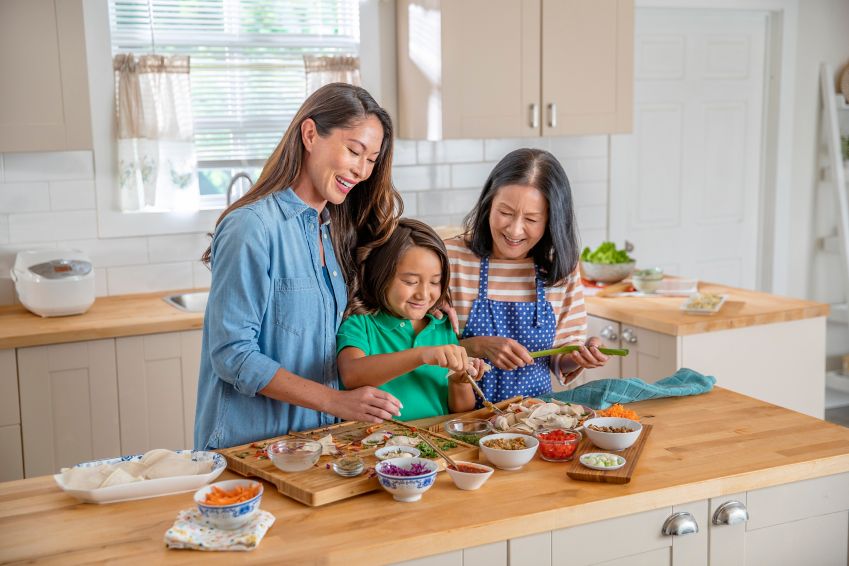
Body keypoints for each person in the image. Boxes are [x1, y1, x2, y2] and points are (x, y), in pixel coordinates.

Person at [194, 83, 404, 450]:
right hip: (249, 450)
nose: (362, 170)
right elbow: (232, 355)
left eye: (371, 160)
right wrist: (336, 401)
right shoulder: (252, 227)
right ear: (310, 134)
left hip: (314, 447)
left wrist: (435, 301)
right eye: (354, 151)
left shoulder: (333, 231)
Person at [446, 148, 609, 404]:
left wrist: (578, 356)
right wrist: (476, 346)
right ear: (489, 205)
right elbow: (420, 348)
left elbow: (560, 358)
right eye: (505, 213)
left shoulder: (561, 268)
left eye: (532, 219)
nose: (514, 229)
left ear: (552, 220)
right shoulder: (449, 258)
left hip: (533, 421)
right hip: (460, 421)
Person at [336, 219, 484, 420]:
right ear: (381, 275)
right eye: (411, 282)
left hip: (436, 444)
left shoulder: (441, 326)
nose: (423, 294)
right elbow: (351, 374)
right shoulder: (362, 323)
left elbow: (463, 411)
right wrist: (421, 355)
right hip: (375, 445)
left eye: (435, 282)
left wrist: (459, 381)